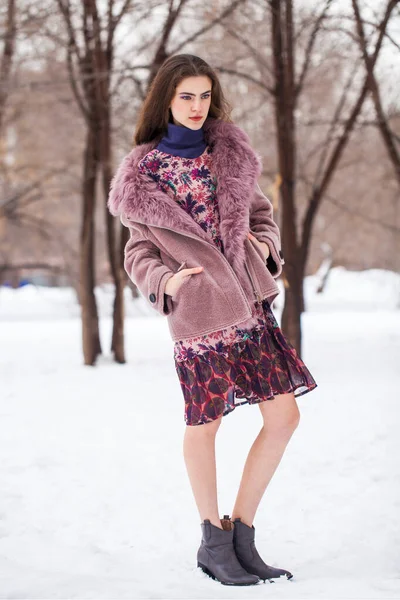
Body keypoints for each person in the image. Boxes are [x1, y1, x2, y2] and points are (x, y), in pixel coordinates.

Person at [108, 53, 317, 586]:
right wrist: (163, 282)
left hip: (248, 305)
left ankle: (241, 533)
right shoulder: (145, 172)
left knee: (284, 418)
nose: (197, 106)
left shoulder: (229, 155)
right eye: (186, 96)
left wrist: (265, 245)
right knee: (206, 424)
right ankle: (211, 541)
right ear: (166, 101)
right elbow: (138, 251)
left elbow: (263, 215)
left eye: (204, 96)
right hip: (200, 312)